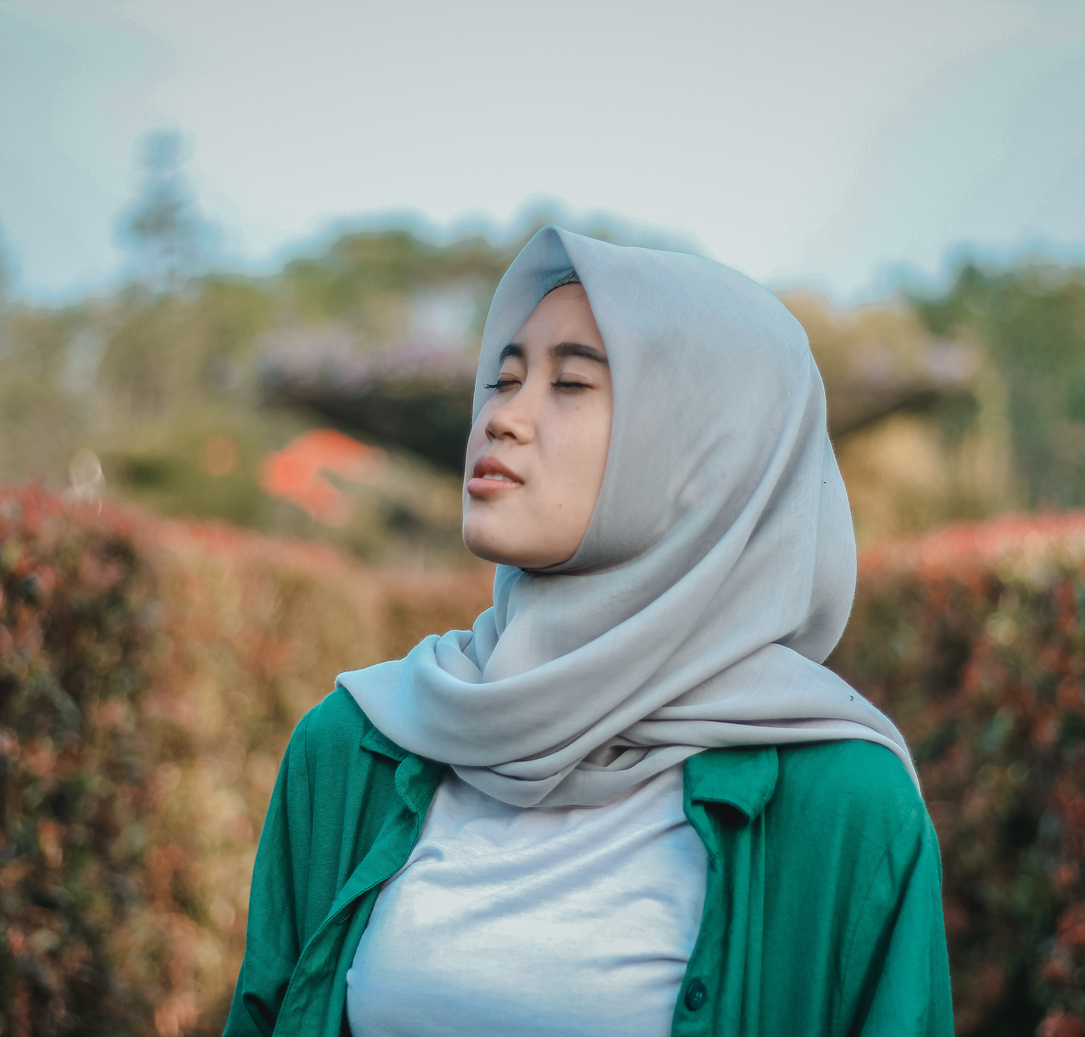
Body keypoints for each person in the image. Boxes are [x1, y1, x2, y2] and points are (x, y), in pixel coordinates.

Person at [223, 227, 952, 1037]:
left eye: (571, 383)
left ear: (700, 456)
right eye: (504, 378)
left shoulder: (845, 807)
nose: (502, 417)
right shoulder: (353, 750)